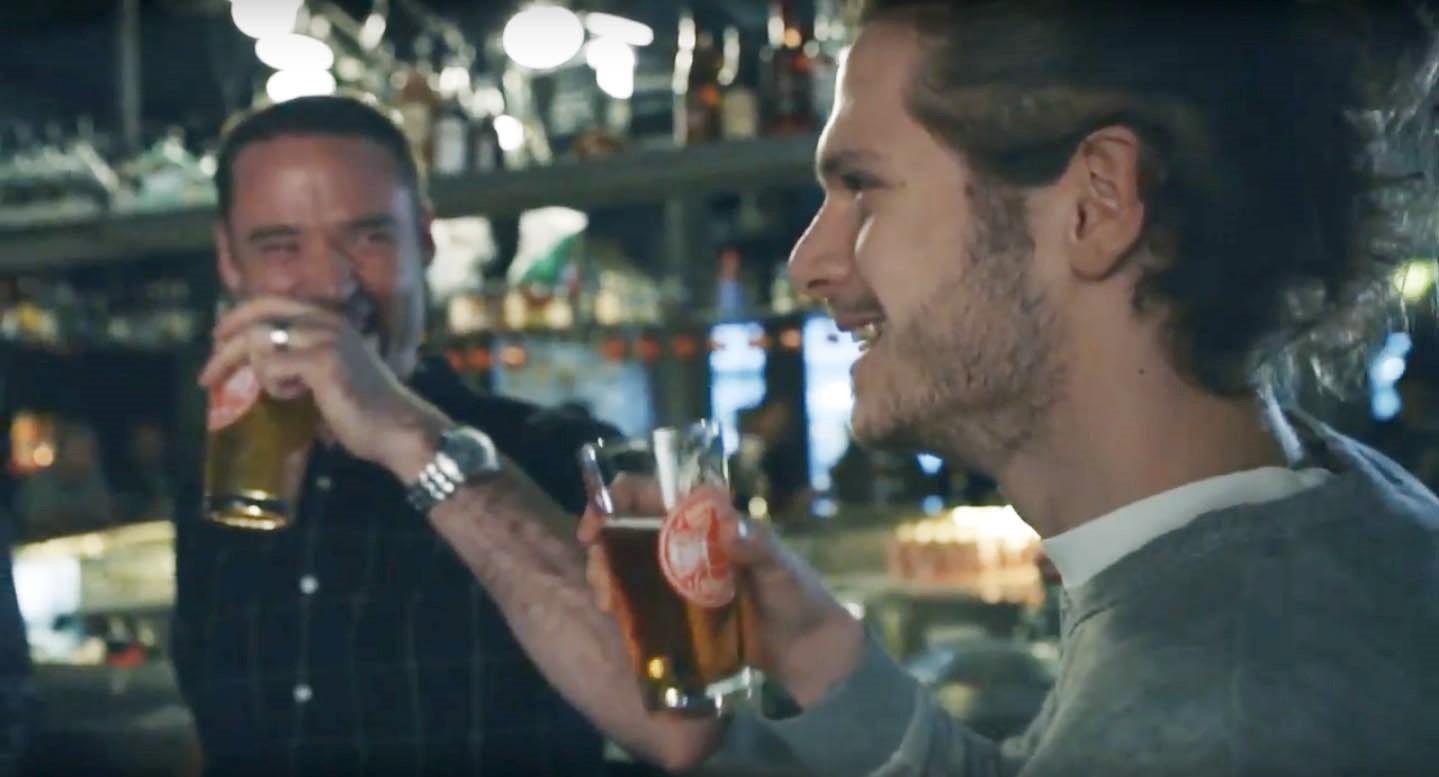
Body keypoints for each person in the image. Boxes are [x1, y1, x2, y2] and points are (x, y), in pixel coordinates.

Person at [198, 3, 1439, 777]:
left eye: (863, 188)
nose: (808, 259)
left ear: (1096, 203)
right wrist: (819, 653)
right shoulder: (1310, 525)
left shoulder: (1213, 707)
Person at [171, 95, 616, 775]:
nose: (329, 284)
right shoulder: (215, 476)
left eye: (369, 237)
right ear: (229, 261)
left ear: (426, 239)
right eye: (280, 245)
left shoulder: (563, 454)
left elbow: (669, 723)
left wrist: (404, 431)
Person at [14, 419, 111, 539]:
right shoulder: (40, 483)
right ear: (62, 452)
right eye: (77, 449)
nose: (85, 456)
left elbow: (103, 521)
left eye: (89, 450)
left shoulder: (94, 480)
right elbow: (37, 527)